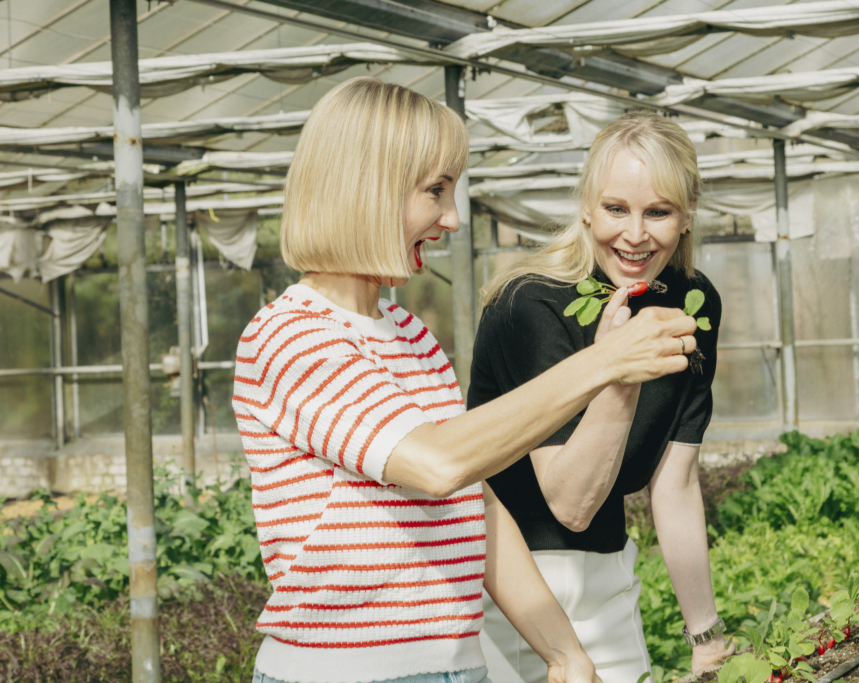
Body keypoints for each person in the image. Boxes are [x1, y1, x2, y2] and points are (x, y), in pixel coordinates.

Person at [232, 79, 699, 683]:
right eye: (435, 191)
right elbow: (436, 463)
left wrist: (564, 652)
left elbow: (471, 503)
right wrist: (604, 363)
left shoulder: (409, 336)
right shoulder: (290, 337)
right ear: (366, 188)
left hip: (455, 667)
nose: (452, 219)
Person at [468, 111, 735, 683]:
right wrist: (617, 370)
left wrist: (706, 636)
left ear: (686, 217)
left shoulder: (693, 303)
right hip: (511, 597)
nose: (634, 235)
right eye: (616, 209)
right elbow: (571, 502)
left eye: (657, 212)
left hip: (610, 577)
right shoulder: (531, 303)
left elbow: (677, 479)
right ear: (586, 205)